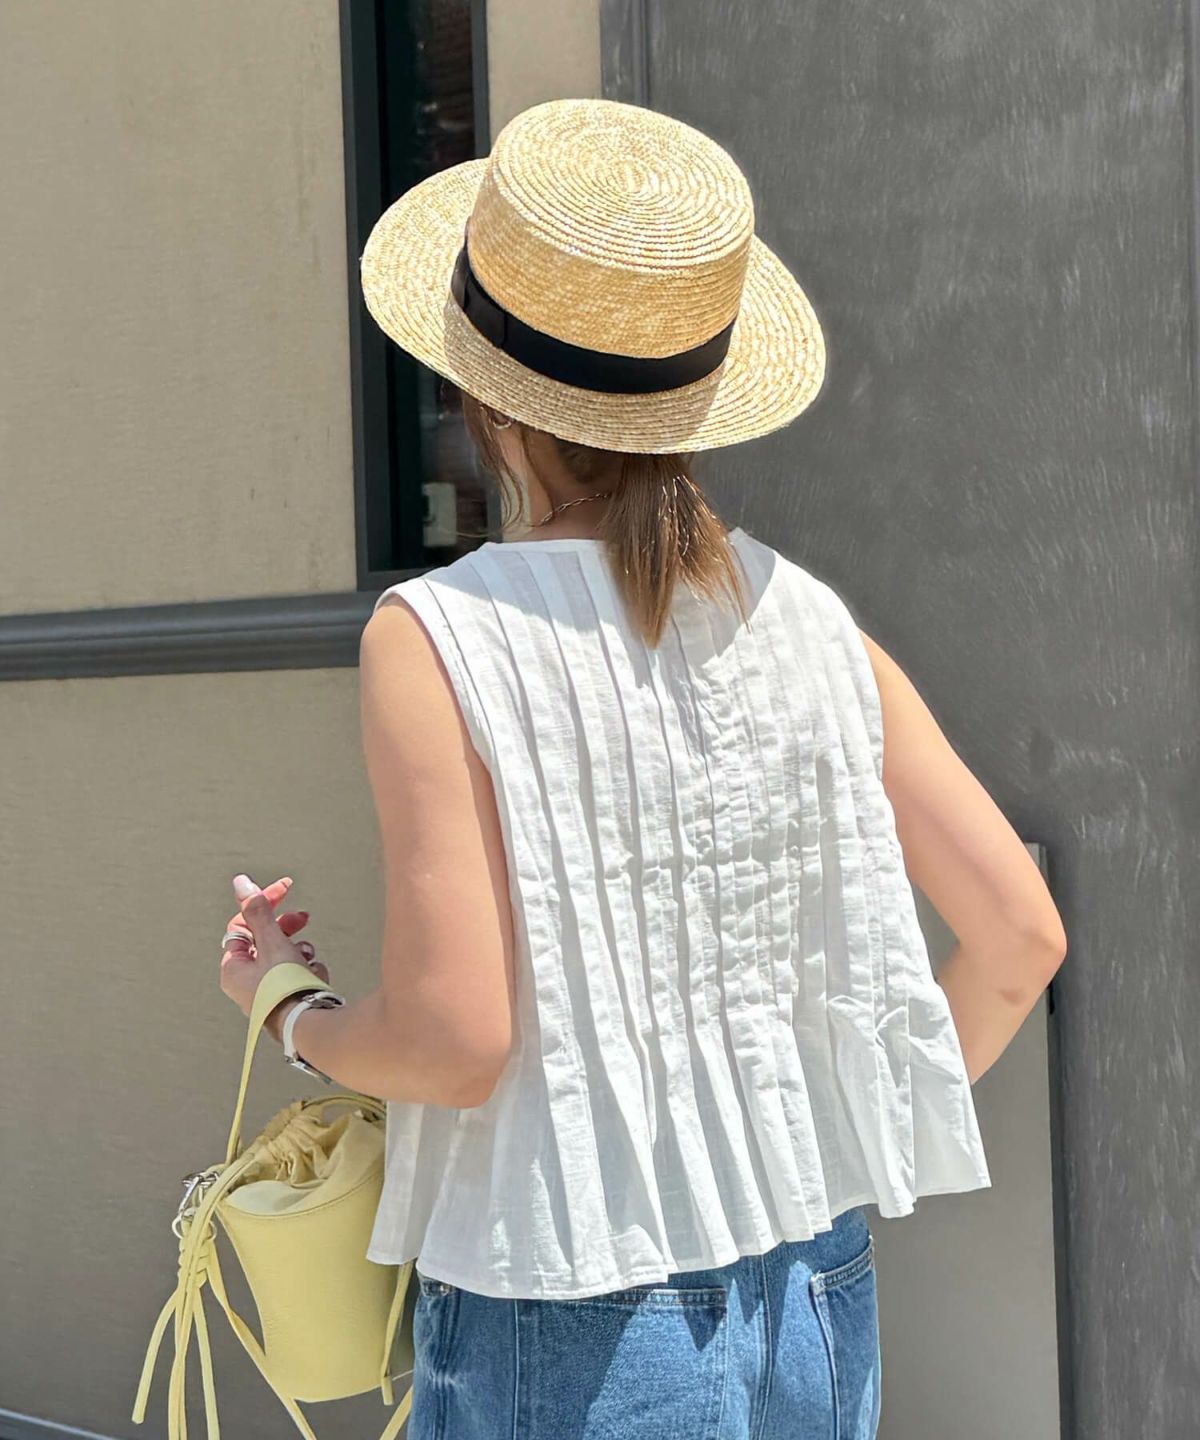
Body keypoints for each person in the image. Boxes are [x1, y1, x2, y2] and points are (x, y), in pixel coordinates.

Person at [219, 98, 1067, 1439]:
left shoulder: (438, 635)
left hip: (569, 1321)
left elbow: (454, 1043)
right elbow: (1019, 940)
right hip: (815, 1288)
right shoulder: (811, 624)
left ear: (481, 392)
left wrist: (285, 1006)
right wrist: (825, 1148)